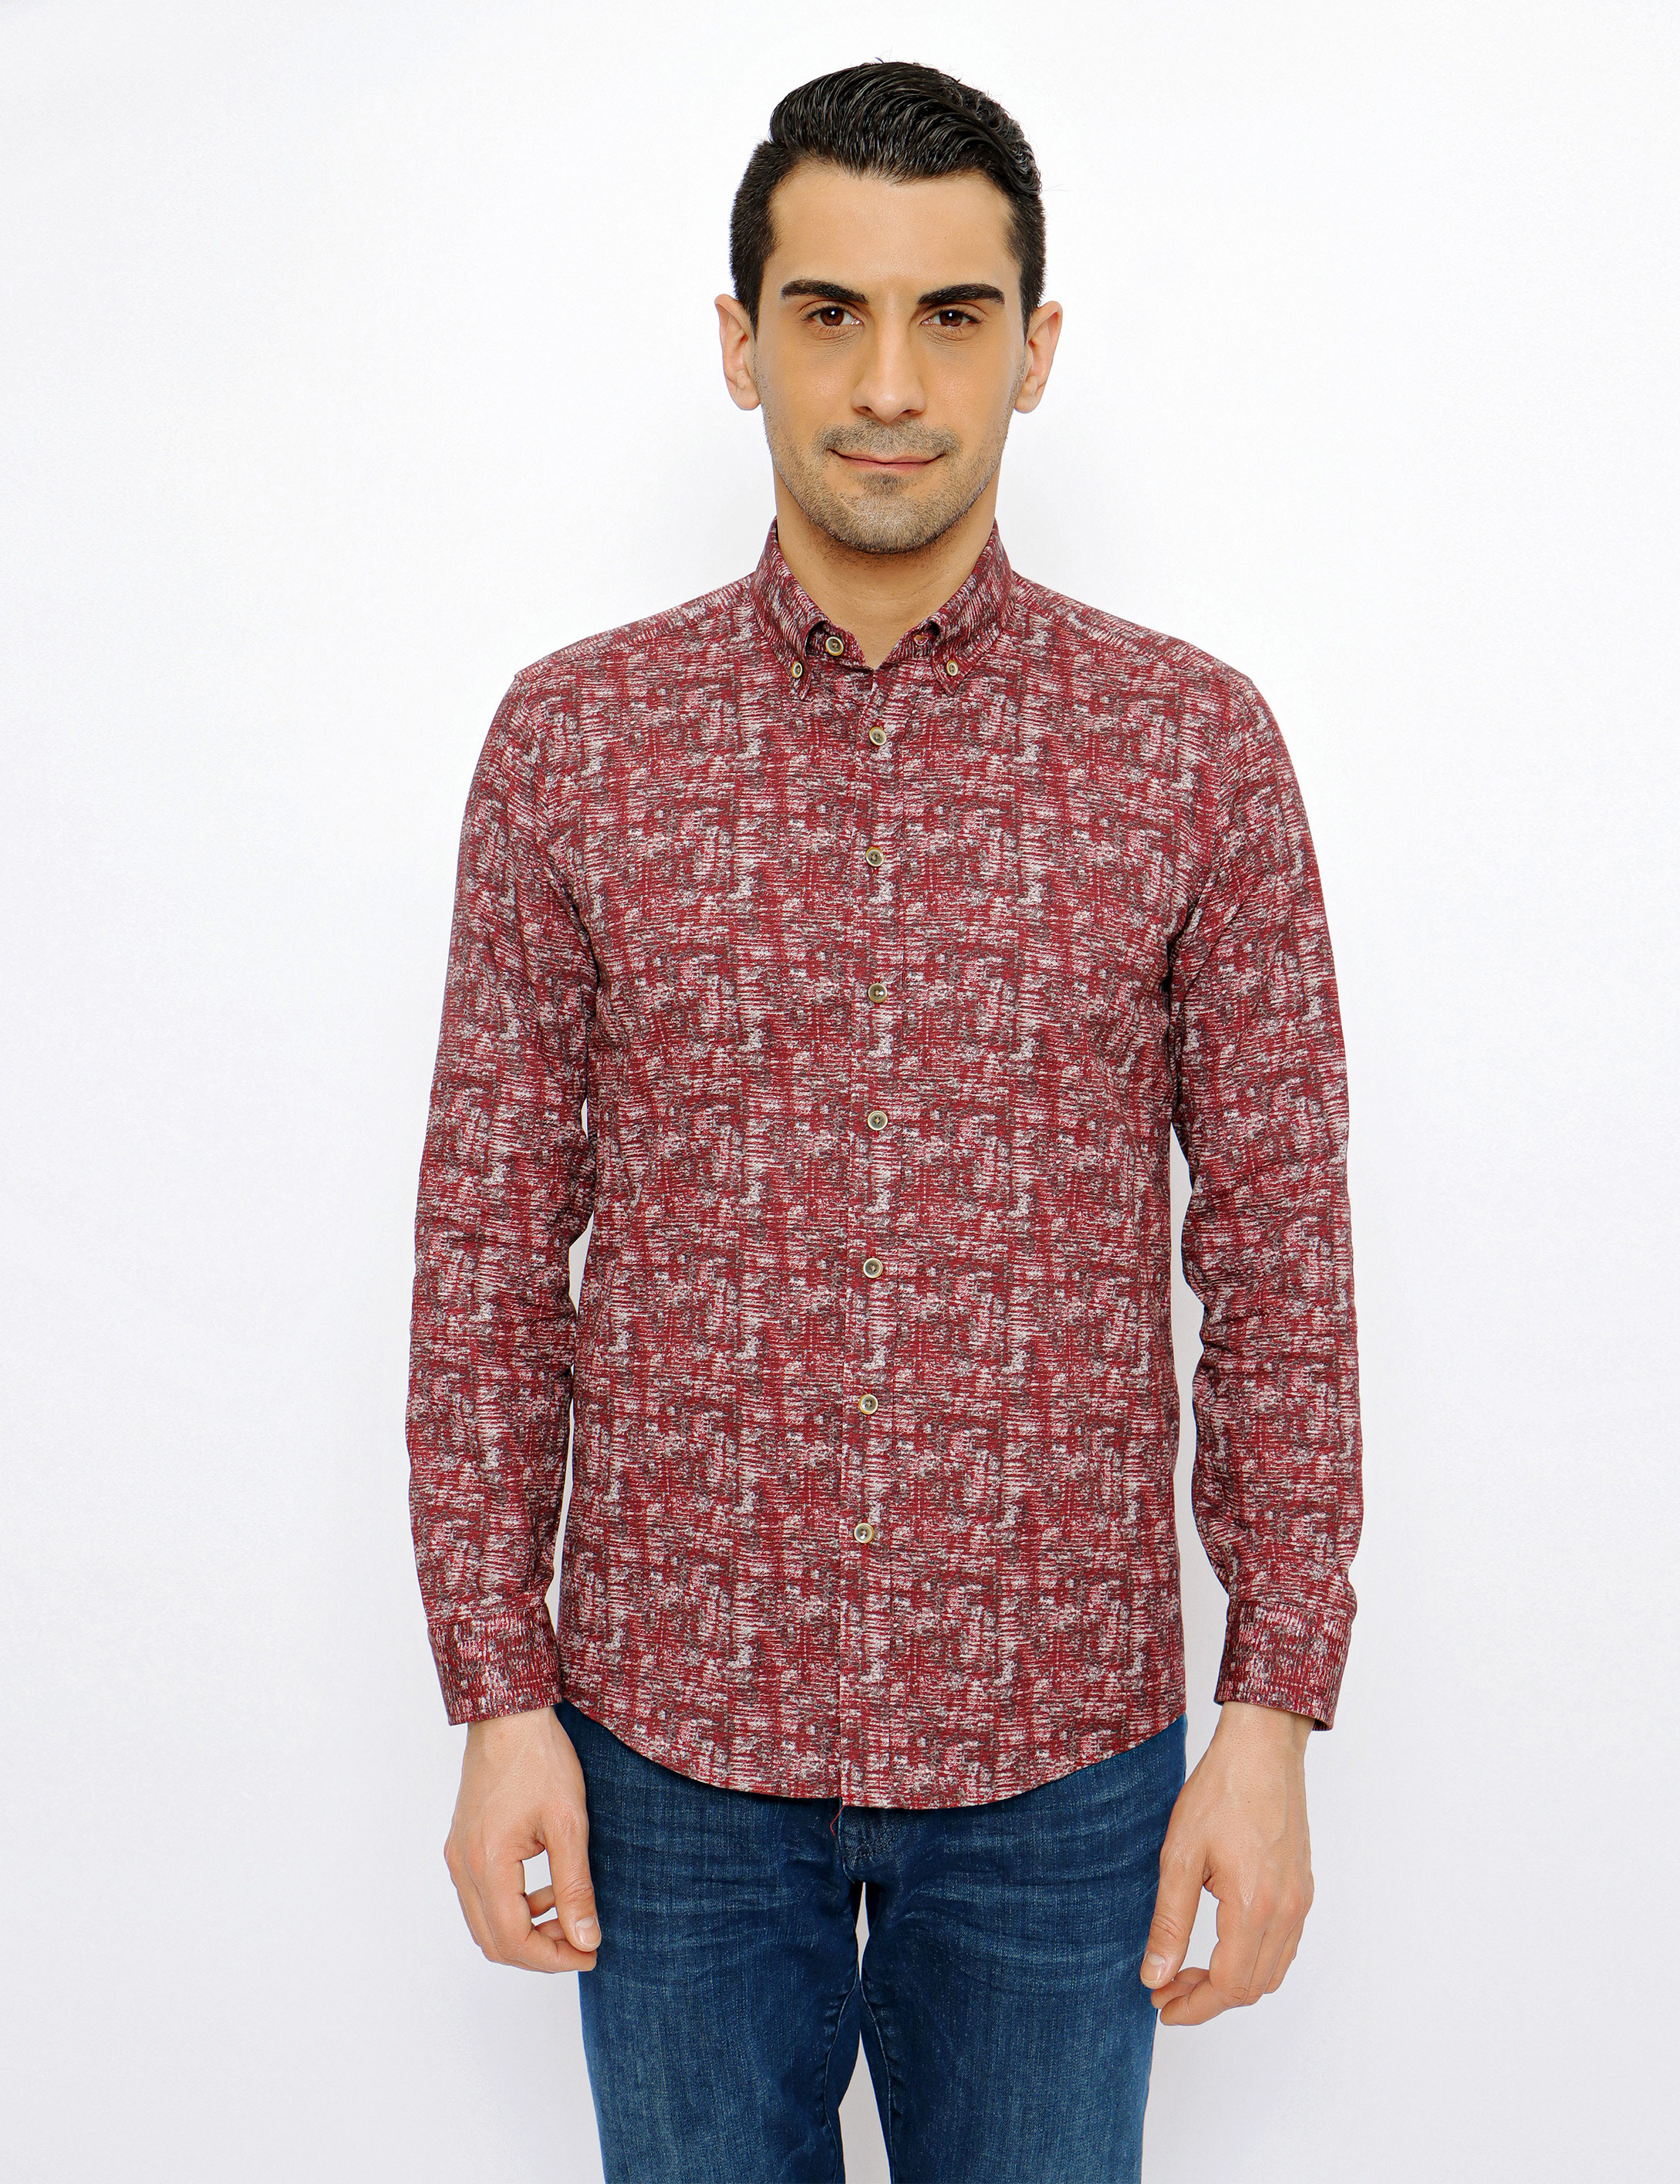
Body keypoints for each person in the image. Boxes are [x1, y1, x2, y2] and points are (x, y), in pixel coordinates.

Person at [406, 57, 1362, 2184]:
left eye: (951, 315)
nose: (889, 383)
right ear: (739, 340)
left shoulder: (1192, 751)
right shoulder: (575, 744)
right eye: (828, 311)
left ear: (1036, 346)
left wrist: (1272, 1713)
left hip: (1061, 1762)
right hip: (667, 1753)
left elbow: (1278, 1253)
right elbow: (488, 1248)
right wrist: (495, 1694)